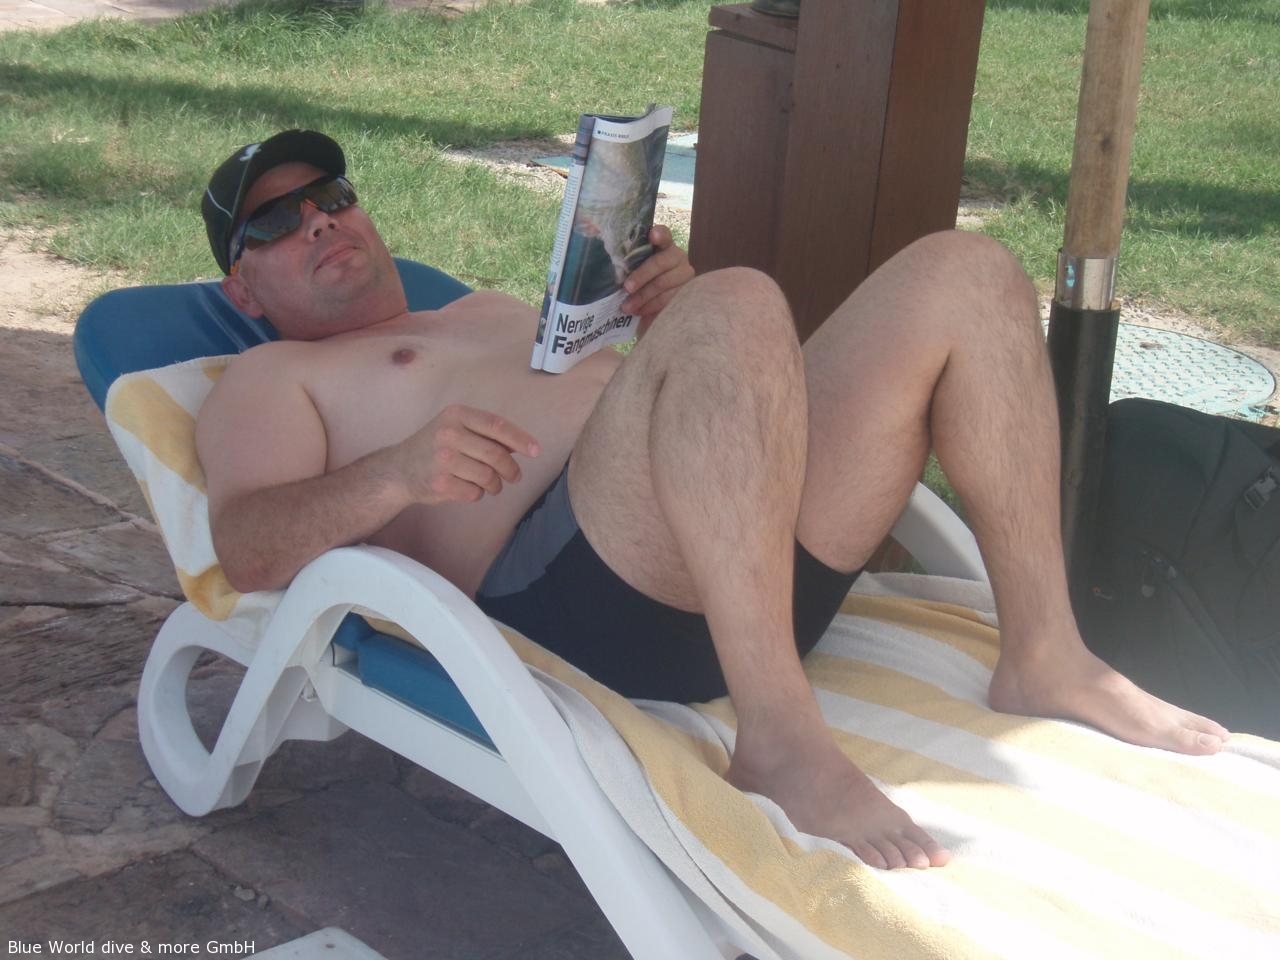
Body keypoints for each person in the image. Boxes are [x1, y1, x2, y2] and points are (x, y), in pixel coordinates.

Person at [196, 130, 1230, 872]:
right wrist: (393, 474)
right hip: (585, 612)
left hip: (741, 555)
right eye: (276, 223)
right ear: (241, 290)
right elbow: (245, 546)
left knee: (964, 271)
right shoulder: (270, 379)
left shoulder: (489, 309)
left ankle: (1043, 651)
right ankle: (779, 740)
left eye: (331, 195)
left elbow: (667, 409)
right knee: (738, 298)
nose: (319, 220)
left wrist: (674, 321)